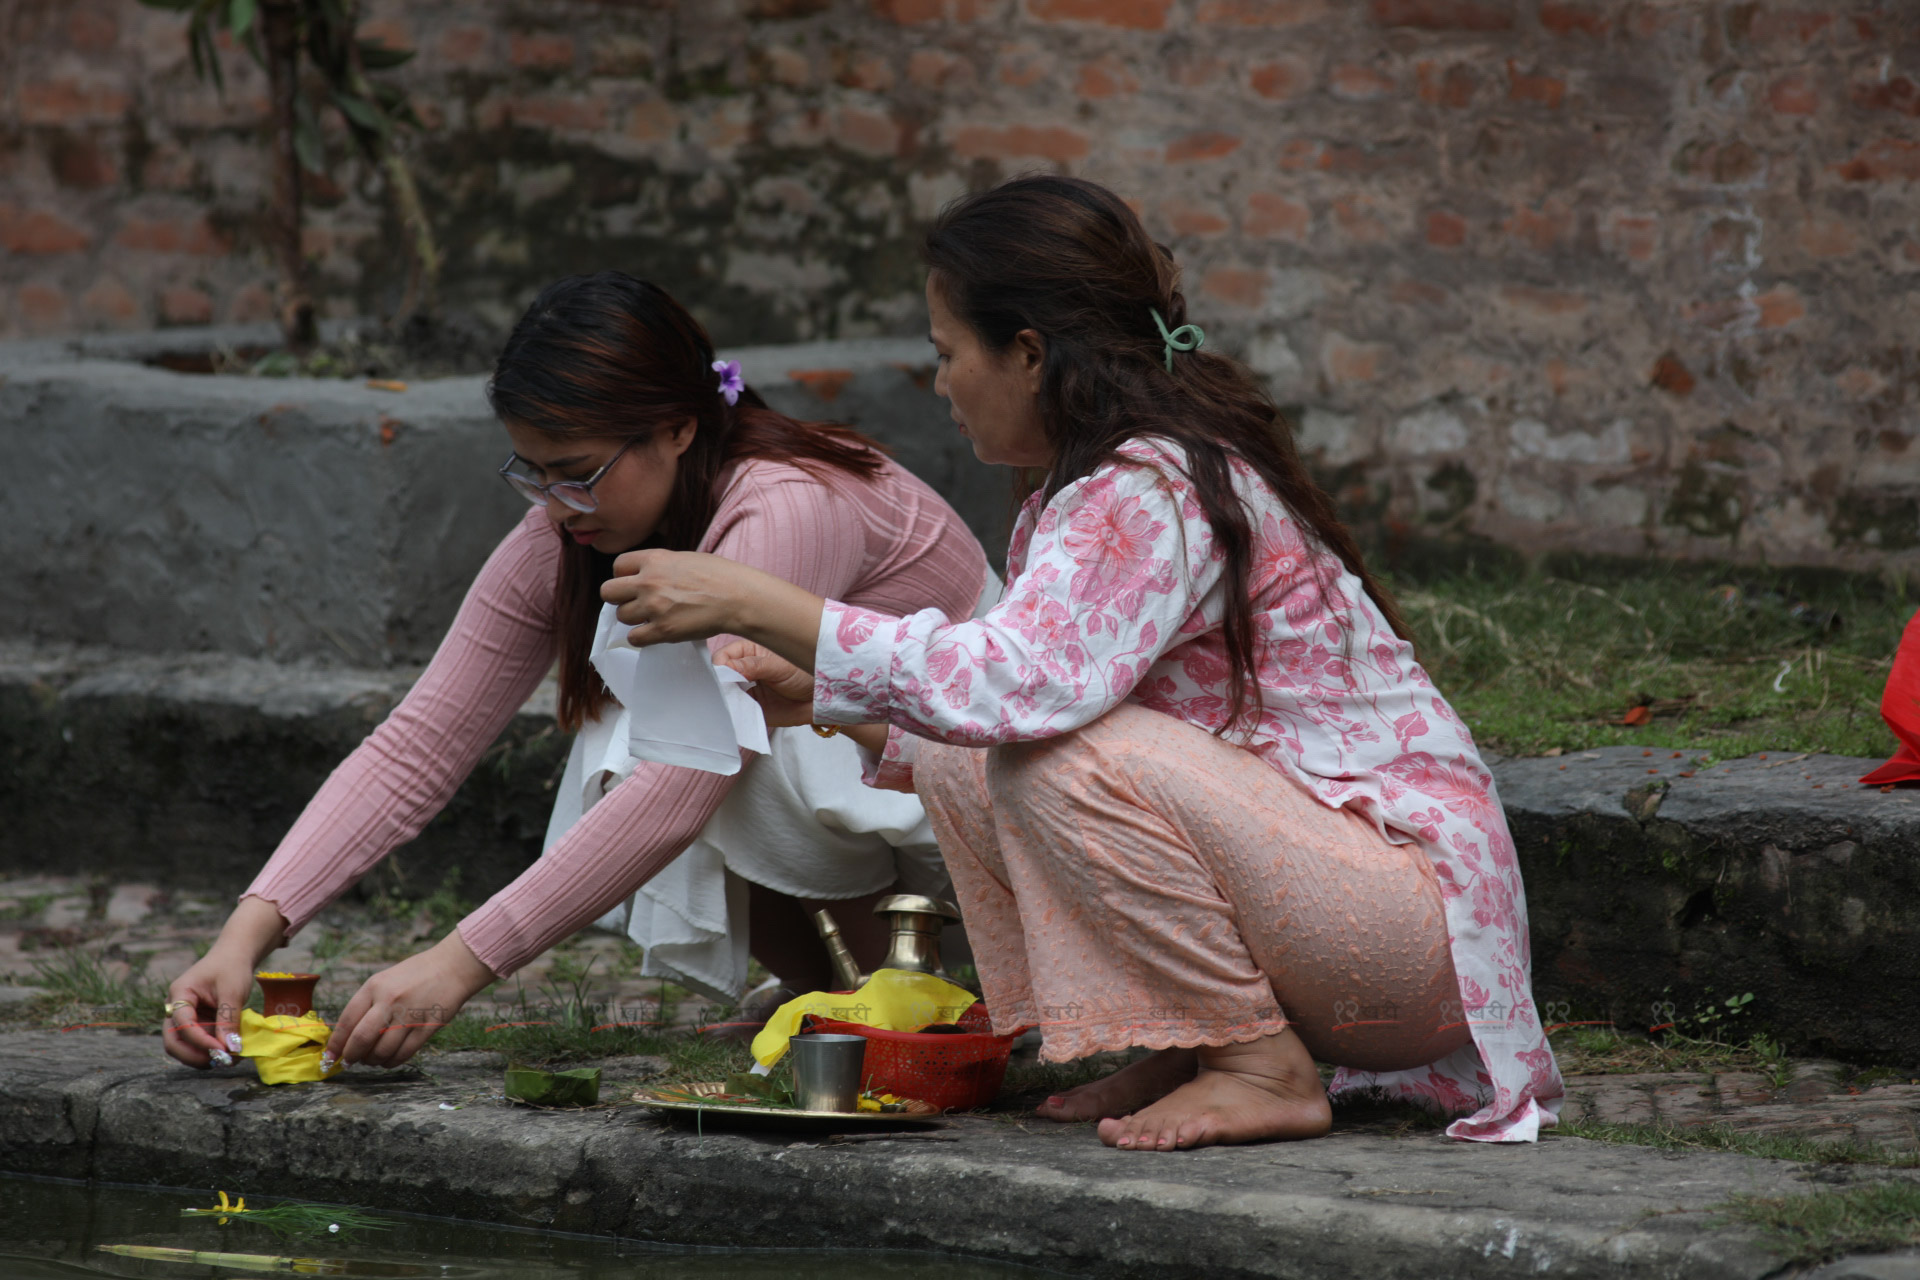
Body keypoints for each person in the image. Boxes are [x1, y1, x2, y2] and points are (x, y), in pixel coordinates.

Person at [598, 176, 1564, 1149]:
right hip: (1348, 914)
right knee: (961, 753)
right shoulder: (1096, 483)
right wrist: (823, 696)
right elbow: (1006, 693)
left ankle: (1259, 1064)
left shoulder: (1155, 480)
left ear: (1026, 354)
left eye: (947, 354)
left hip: (1410, 928)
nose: (940, 382)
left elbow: (1018, 687)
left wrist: (754, 601)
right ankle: (1189, 1035)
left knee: (1057, 757)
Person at [163, 272, 992, 1073]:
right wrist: (242, 938)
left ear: (678, 427)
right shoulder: (562, 532)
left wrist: (457, 966)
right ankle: (833, 994)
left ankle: (922, 1001)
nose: (556, 505)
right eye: (531, 471)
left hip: (978, 802)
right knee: (656, 715)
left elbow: (688, 776)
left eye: (579, 472)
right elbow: (418, 745)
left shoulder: (786, 505)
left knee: (696, 726)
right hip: (864, 790)